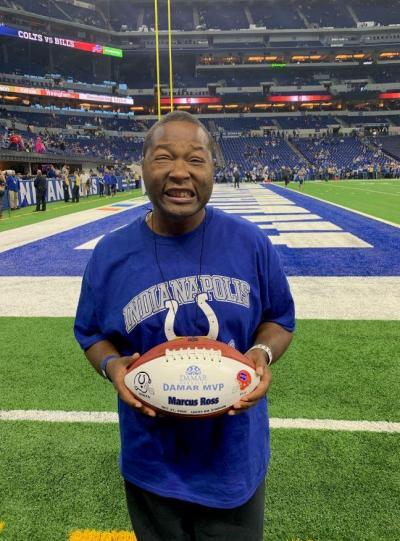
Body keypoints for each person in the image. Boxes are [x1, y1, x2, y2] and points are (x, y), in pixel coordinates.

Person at [74, 111, 295, 541]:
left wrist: (261, 355)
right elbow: (91, 334)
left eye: (195, 159)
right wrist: (113, 367)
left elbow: (280, 319)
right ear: (141, 166)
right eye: (163, 159)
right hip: (150, 460)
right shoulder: (110, 253)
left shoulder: (251, 243)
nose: (179, 172)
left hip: (232, 461)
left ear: (214, 169)